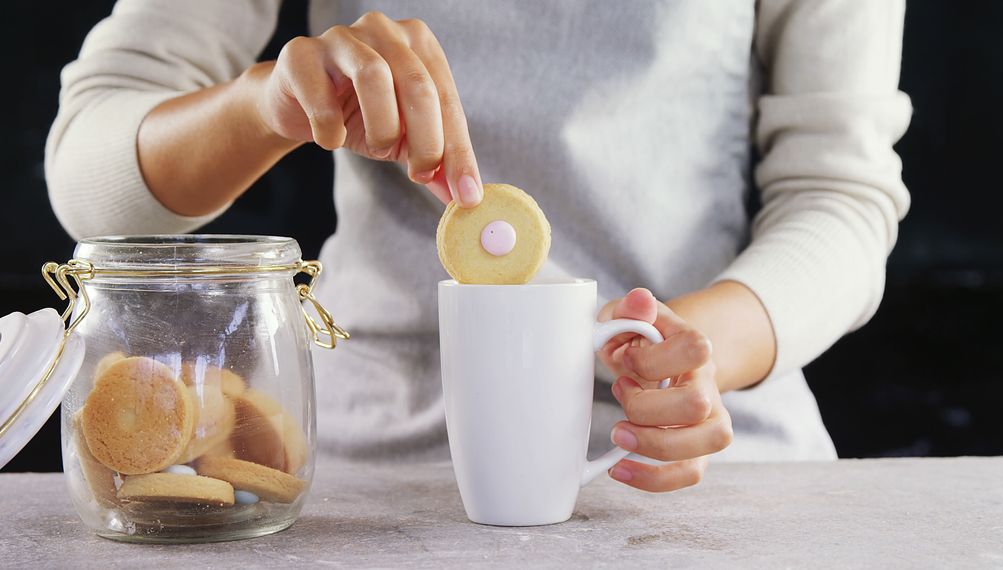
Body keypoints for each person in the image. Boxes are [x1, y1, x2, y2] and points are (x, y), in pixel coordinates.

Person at [46, 1, 911, 492]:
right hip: (365, 468)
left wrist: (693, 352)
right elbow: (89, 180)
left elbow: (841, 195)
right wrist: (261, 106)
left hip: (703, 459)